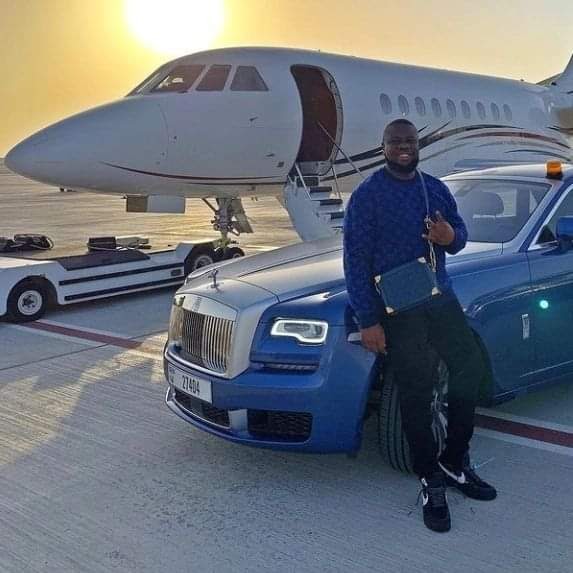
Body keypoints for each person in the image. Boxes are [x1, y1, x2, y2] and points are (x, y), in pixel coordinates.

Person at [343, 118, 497, 533]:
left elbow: (459, 235)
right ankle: (430, 477)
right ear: (384, 146)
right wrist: (368, 320)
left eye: (409, 141)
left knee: (470, 368)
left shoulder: (434, 188)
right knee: (416, 389)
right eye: (395, 141)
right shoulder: (367, 196)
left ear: (418, 144)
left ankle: (454, 460)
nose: (403, 147)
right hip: (398, 307)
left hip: (439, 298)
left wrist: (449, 237)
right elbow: (354, 260)